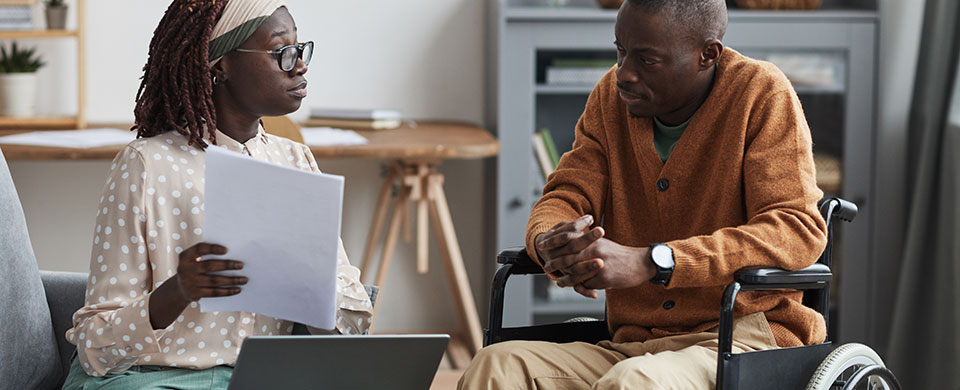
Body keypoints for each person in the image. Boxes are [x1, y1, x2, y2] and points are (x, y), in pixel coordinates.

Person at [459, 0, 828, 388]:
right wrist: (550, 238)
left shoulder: (761, 93)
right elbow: (567, 191)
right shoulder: (609, 99)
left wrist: (655, 261)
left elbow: (796, 228)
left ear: (707, 54)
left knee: (634, 381)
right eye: (620, 51)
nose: (624, 74)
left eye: (646, 60)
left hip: (742, 339)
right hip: (634, 344)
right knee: (495, 364)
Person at [62, 1, 373, 388]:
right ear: (221, 65)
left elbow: (354, 323)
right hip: (152, 379)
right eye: (282, 52)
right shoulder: (146, 164)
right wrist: (179, 290)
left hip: (262, 378)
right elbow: (95, 346)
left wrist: (311, 281)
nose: (300, 64)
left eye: (301, 49)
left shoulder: (294, 161)